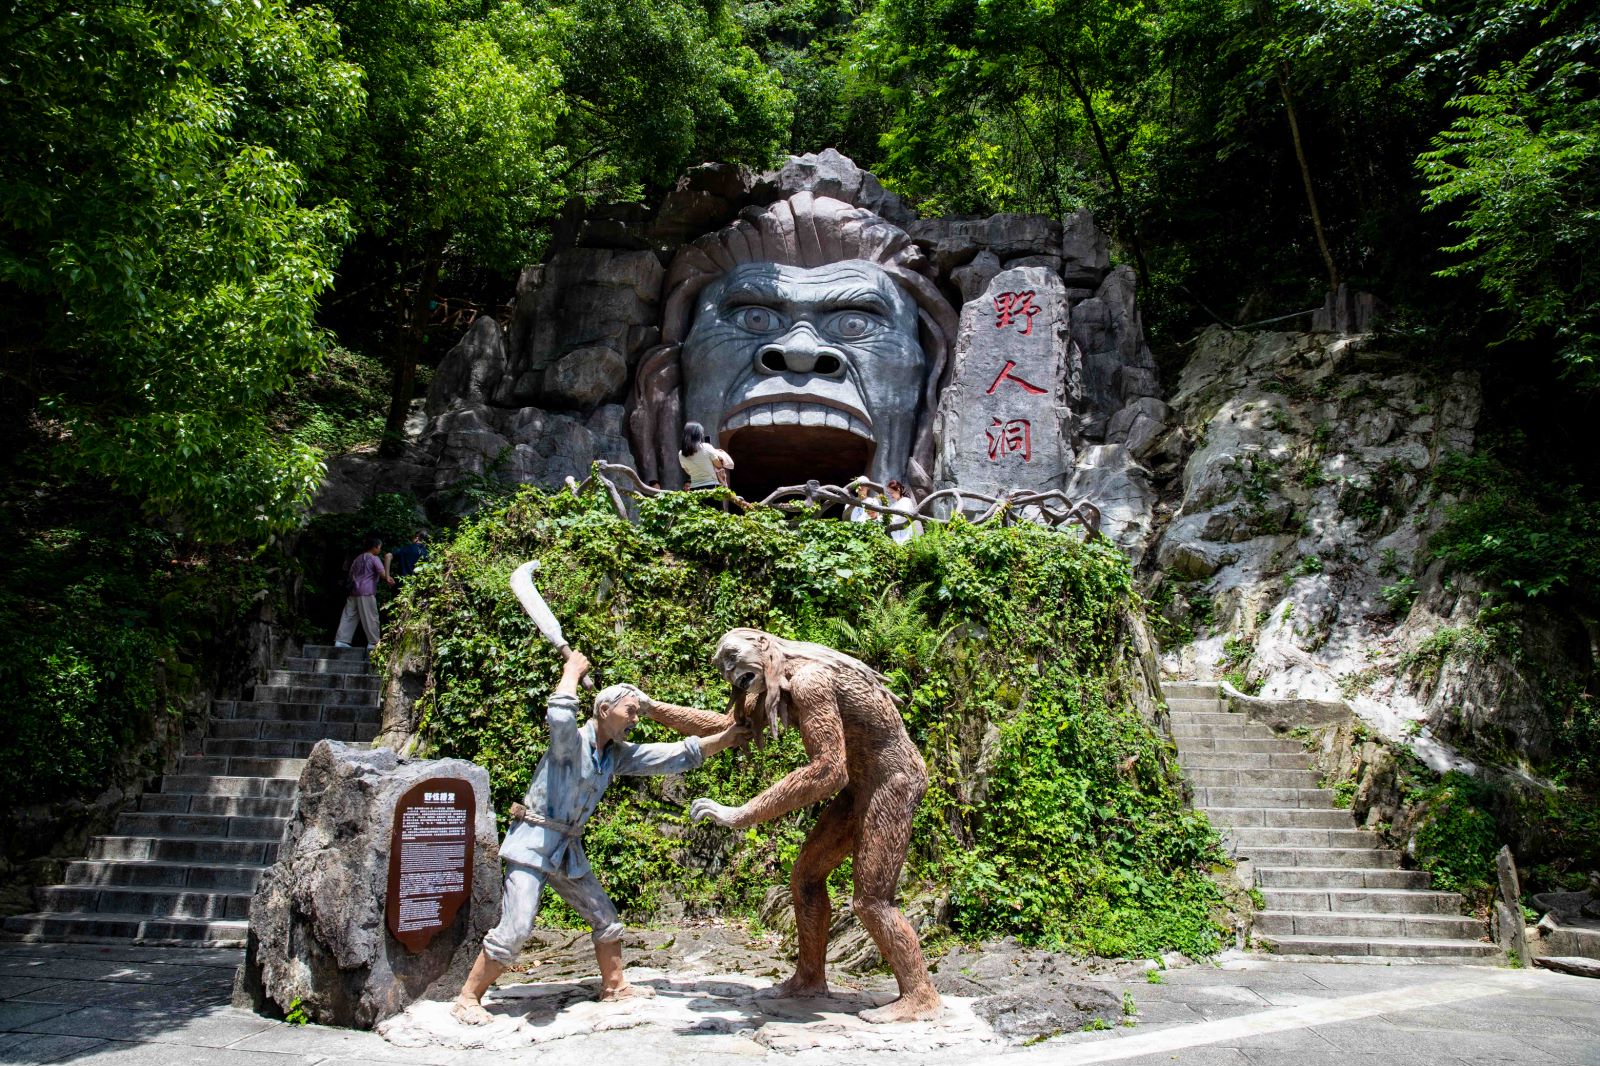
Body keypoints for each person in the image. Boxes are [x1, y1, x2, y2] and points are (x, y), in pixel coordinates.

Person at [452, 651, 748, 1023]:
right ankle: (468, 998)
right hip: (533, 844)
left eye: (638, 713)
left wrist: (725, 739)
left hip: (567, 849)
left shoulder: (615, 756)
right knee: (517, 926)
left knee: (604, 917)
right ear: (604, 710)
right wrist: (571, 670)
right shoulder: (569, 745)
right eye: (631, 711)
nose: (636, 720)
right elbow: (560, 714)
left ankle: (614, 987)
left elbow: (672, 755)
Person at [334, 535, 393, 647]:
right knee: (370, 616)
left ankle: (341, 641)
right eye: (379, 547)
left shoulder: (357, 559)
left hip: (353, 591)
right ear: (375, 547)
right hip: (367, 592)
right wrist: (389, 576)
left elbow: (351, 575)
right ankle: (373, 642)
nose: (380, 550)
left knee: (349, 615)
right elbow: (383, 574)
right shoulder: (374, 558)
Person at [677, 421, 734, 490]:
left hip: (694, 488)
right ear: (699, 435)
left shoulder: (681, 453)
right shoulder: (706, 447)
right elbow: (719, 465)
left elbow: (688, 472)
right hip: (712, 487)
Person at [884, 480, 921, 545]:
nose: (891, 495)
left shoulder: (906, 501)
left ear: (898, 490)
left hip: (905, 533)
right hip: (895, 535)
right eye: (889, 493)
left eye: (892, 492)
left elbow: (903, 517)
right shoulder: (893, 505)